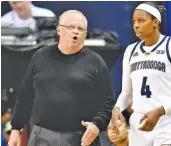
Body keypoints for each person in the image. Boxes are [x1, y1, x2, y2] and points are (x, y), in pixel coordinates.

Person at [8, 10, 115, 146]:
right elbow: (25, 96)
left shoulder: (96, 62)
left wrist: (96, 125)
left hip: (81, 138)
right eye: (71, 27)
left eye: (80, 29)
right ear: (59, 30)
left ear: (85, 34)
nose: (76, 31)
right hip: (42, 135)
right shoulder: (40, 56)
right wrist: (16, 128)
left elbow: (108, 102)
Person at [111, 2, 171, 146]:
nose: (136, 25)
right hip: (138, 123)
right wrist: (117, 109)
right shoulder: (131, 51)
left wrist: (160, 111)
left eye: (141, 20)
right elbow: (126, 93)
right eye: (134, 21)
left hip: (167, 122)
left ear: (155, 22)